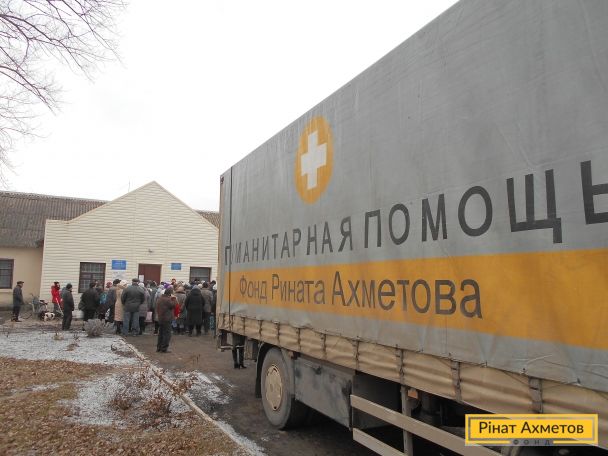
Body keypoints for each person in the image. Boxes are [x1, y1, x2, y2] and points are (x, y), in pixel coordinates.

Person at [156, 288, 175, 353]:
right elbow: (173, 305)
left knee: (161, 333)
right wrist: (173, 299)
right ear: (170, 293)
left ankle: (159, 347)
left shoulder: (160, 298)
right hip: (167, 318)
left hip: (161, 318)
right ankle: (164, 348)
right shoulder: (168, 300)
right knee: (167, 334)